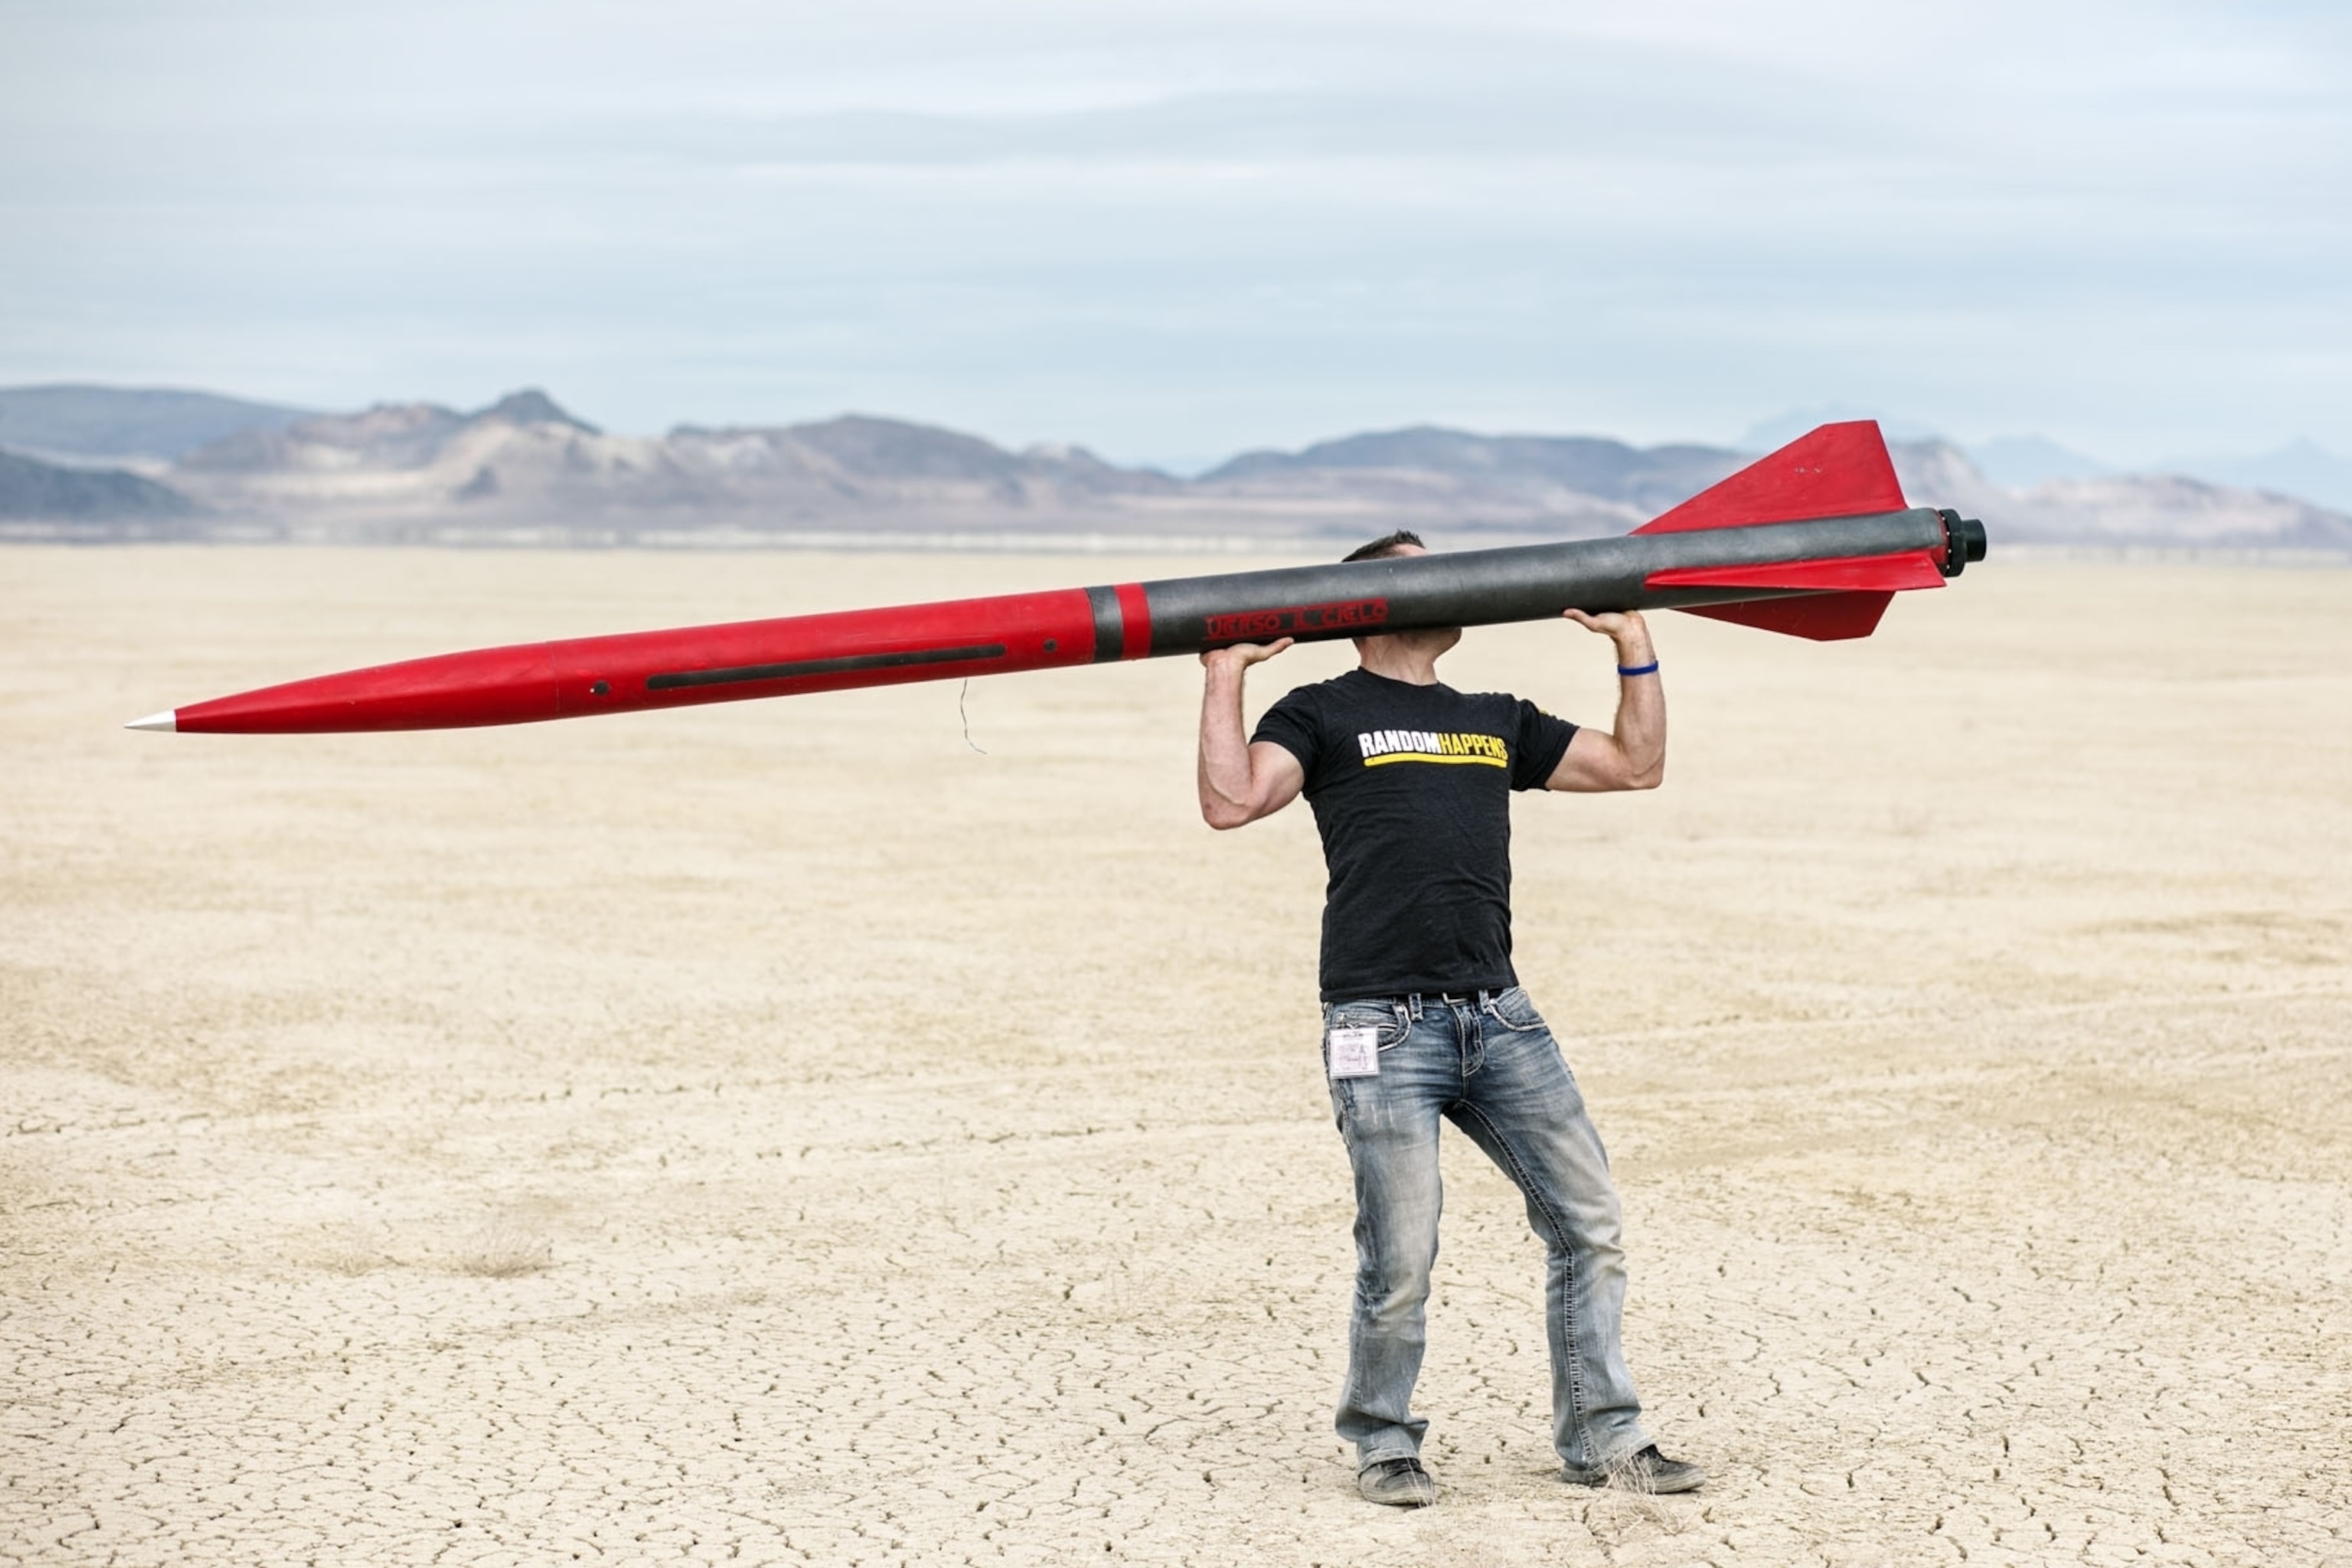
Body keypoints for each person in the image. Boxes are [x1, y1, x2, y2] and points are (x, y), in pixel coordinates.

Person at [1194, 529, 1703, 1508]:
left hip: (1501, 1018)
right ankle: (1384, 1441)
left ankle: (1605, 1437)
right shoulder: (1321, 711)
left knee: (1589, 1224)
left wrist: (1632, 642)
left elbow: (1636, 766)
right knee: (1402, 1255)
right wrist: (1224, 675)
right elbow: (1231, 800)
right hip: (1382, 1025)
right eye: (1430, 568)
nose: (1460, 580)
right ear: (1374, 603)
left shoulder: (1492, 715)